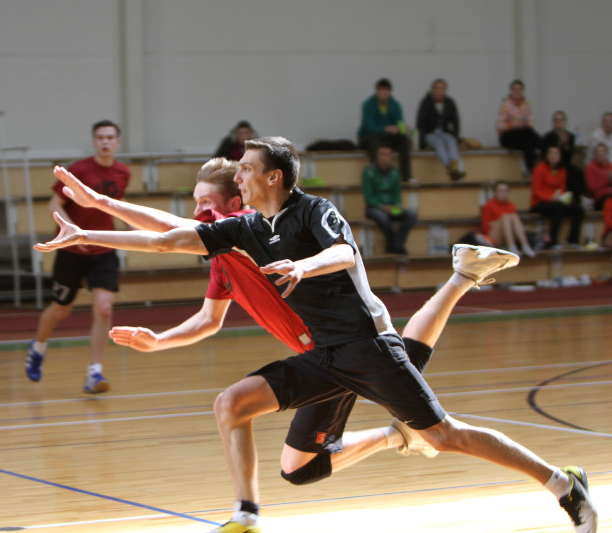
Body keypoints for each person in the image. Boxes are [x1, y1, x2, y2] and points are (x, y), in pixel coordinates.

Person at [35, 136, 597, 533]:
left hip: (366, 345)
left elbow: (345, 251)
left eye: (247, 168)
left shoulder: (312, 212)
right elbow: (167, 239)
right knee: (233, 404)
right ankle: (248, 514)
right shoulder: (245, 229)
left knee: (444, 434)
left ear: (271, 177)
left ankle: (560, 482)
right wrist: (91, 222)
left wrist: (307, 267)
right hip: (322, 355)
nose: (241, 174)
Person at [25, 120, 130, 394]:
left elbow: (115, 208)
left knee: (104, 307)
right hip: (73, 250)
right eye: (100, 137)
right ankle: (38, 348)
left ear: (117, 142)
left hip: (104, 247)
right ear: (94, 141)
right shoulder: (80, 169)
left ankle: (94, 373)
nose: (105, 142)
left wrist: (136, 228)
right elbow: (53, 204)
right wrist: (73, 231)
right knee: (61, 309)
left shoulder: (123, 173)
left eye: (110, 137)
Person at [361, 143, 417, 255]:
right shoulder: (368, 172)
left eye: (387, 154)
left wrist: (397, 204)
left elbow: (397, 193)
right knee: (384, 219)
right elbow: (368, 196)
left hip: (392, 207)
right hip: (374, 207)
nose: (384, 157)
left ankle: (397, 244)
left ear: (391, 155)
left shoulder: (395, 173)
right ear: (377, 155)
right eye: (381, 154)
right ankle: (392, 245)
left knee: (411, 215)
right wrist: (382, 206)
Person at [530, 145, 585, 249]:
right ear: (546, 155)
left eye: (556, 153)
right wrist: (551, 198)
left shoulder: (562, 170)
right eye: (551, 153)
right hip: (539, 202)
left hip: (557, 201)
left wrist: (565, 198)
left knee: (578, 209)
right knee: (558, 208)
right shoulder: (539, 169)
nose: (553, 156)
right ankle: (553, 241)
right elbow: (537, 191)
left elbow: (562, 189)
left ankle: (573, 240)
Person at [358, 78, 412, 182]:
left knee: (404, 139)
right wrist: (386, 129)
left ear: (389, 92)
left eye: (385, 90)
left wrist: (402, 128)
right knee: (375, 141)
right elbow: (369, 127)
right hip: (369, 137)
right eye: (380, 90)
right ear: (376, 91)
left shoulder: (395, 105)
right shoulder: (368, 105)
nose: (383, 93)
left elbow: (398, 123)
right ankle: (376, 176)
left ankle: (406, 176)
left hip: (387, 138)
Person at [415, 78, 465, 180]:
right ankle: (449, 168)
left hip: (444, 132)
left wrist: (456, 137)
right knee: (439, 143)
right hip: (430, 134)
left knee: (450, 140)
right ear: (432, 90)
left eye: (442, 88)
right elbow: (421, 123)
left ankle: (454, 165)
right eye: (437, 88)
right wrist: (422, 144)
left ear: (445, 90)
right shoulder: (426, 103)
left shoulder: (450, 102)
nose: (439, 91)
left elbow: (456, 121)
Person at [496, 80, 541, 174]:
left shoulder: (527, 105)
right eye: (515, 89)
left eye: (519, 89)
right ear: (511, 90)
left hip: (523, 135)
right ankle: (543, 145)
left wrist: (523, 124)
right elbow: (500, 126)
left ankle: (531, 170)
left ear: (523, 91)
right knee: (528, 134)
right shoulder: (505, 105)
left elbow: (531, 123)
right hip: (508, 136)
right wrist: (513, 125)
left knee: (528, 143)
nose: (517, 91)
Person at [481, 182, 537, 258]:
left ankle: (525, 245)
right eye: (501, 191)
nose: (503, 193)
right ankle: (511, 246)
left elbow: (513, 224)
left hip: (508, 234)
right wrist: (500, 223)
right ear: (495, 192)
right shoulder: (489, 205)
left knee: (514, 216)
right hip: (493, 237)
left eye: (506, 191)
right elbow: (485, 228)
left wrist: (496, 223)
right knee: (505, 217)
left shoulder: (510, 205)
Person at [583, 143, 612, 211]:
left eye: (602, 151)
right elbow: (592, 188)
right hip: (600, 198)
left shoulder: (610, 166)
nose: (600, 154)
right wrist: (607, 179)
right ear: (595, 154)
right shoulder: (590, 168)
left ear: (606, 153)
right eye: (598, 151)